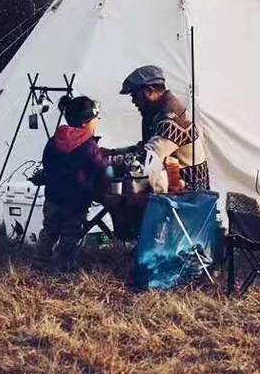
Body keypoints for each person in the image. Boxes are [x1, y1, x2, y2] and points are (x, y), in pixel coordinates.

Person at [33, 94, 109, 271]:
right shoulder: (89, 146)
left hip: (53, 197)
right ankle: (61, 266)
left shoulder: (55, 140)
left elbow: (47, 164)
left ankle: (39, 262)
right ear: (86, 122)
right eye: (95, 120)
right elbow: (100, 168)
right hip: (76, 201)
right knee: (70, 234)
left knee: (49, 230)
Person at [117, 64, 210, 193]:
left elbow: (146, 159)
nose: (133, 101)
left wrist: (106, 160)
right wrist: (113, 152)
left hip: (189, 194)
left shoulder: (171, 118)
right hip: (176, 185)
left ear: (149, 91)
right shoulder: (157, 112)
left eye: (134, 95)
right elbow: (145, 147)